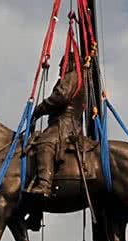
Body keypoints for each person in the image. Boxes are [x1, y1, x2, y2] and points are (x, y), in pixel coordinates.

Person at [26, 53, 87, 197]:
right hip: (65, 123)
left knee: (44, 143)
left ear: (70, 64)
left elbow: (60, 97)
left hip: (64, 124)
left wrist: (39, 109)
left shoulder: (72, 76)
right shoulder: (78, 78)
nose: (60, 68)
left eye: (62, 65)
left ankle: (44, 185)